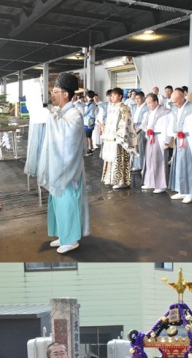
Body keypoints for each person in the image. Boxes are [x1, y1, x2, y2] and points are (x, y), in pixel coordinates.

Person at [34, 72, 89, 255]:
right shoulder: (61, 112)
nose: (53, 95)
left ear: (66, 94)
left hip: (68, 168)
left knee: (67, 201)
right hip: (58, 166)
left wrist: (50, 118)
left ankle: (71, 238)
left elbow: (67, 136)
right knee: (57, 201)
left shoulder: (75, 114)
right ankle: (62, 234)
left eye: (56, 91)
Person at [167, 87, 192, 204]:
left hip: (188, 141)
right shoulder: (174, 108)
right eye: (173, 101)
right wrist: (172, 136)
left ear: (183, 98)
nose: (174, 103)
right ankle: (181, 190)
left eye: (176, 101)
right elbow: (172, 123)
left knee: (188, 166)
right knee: (178, 166)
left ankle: (190, 193)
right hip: (179, 140)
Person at [101, 87, 137, 190]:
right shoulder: (112, 107)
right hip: (110, 138)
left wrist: (119, 134)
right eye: (111, 96)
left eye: (114, 95)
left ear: (120, 96)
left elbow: (125, 122)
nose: (112, 97)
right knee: (110, 158)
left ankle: (122, 181)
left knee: (119, 158)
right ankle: (111, 179)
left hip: (119, 138)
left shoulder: (124, 108)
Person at [140, 93, 172, 193]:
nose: (148, 105)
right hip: (151, 137)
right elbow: (146, 124)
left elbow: (167, 127)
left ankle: (161, 185)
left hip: (160, 138)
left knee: (159, 161)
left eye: (150, 103)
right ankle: (150, 182)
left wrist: (166, 141)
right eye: (147, 103)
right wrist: (148, 131)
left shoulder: (165, 112)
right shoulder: (150, 112)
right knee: (149, 160)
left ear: (156, 101)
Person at [131, 91, 149, 173]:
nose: (137, 100)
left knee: (140, 147)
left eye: (139, 98)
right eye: (136, 98)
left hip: (141, 129)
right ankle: (135, 164)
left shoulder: (146, 108)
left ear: (143, 98)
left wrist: (138, 130)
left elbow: (145, 121)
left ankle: (140, 165)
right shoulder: (136, 107)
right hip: (134, 127)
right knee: (135, 147)